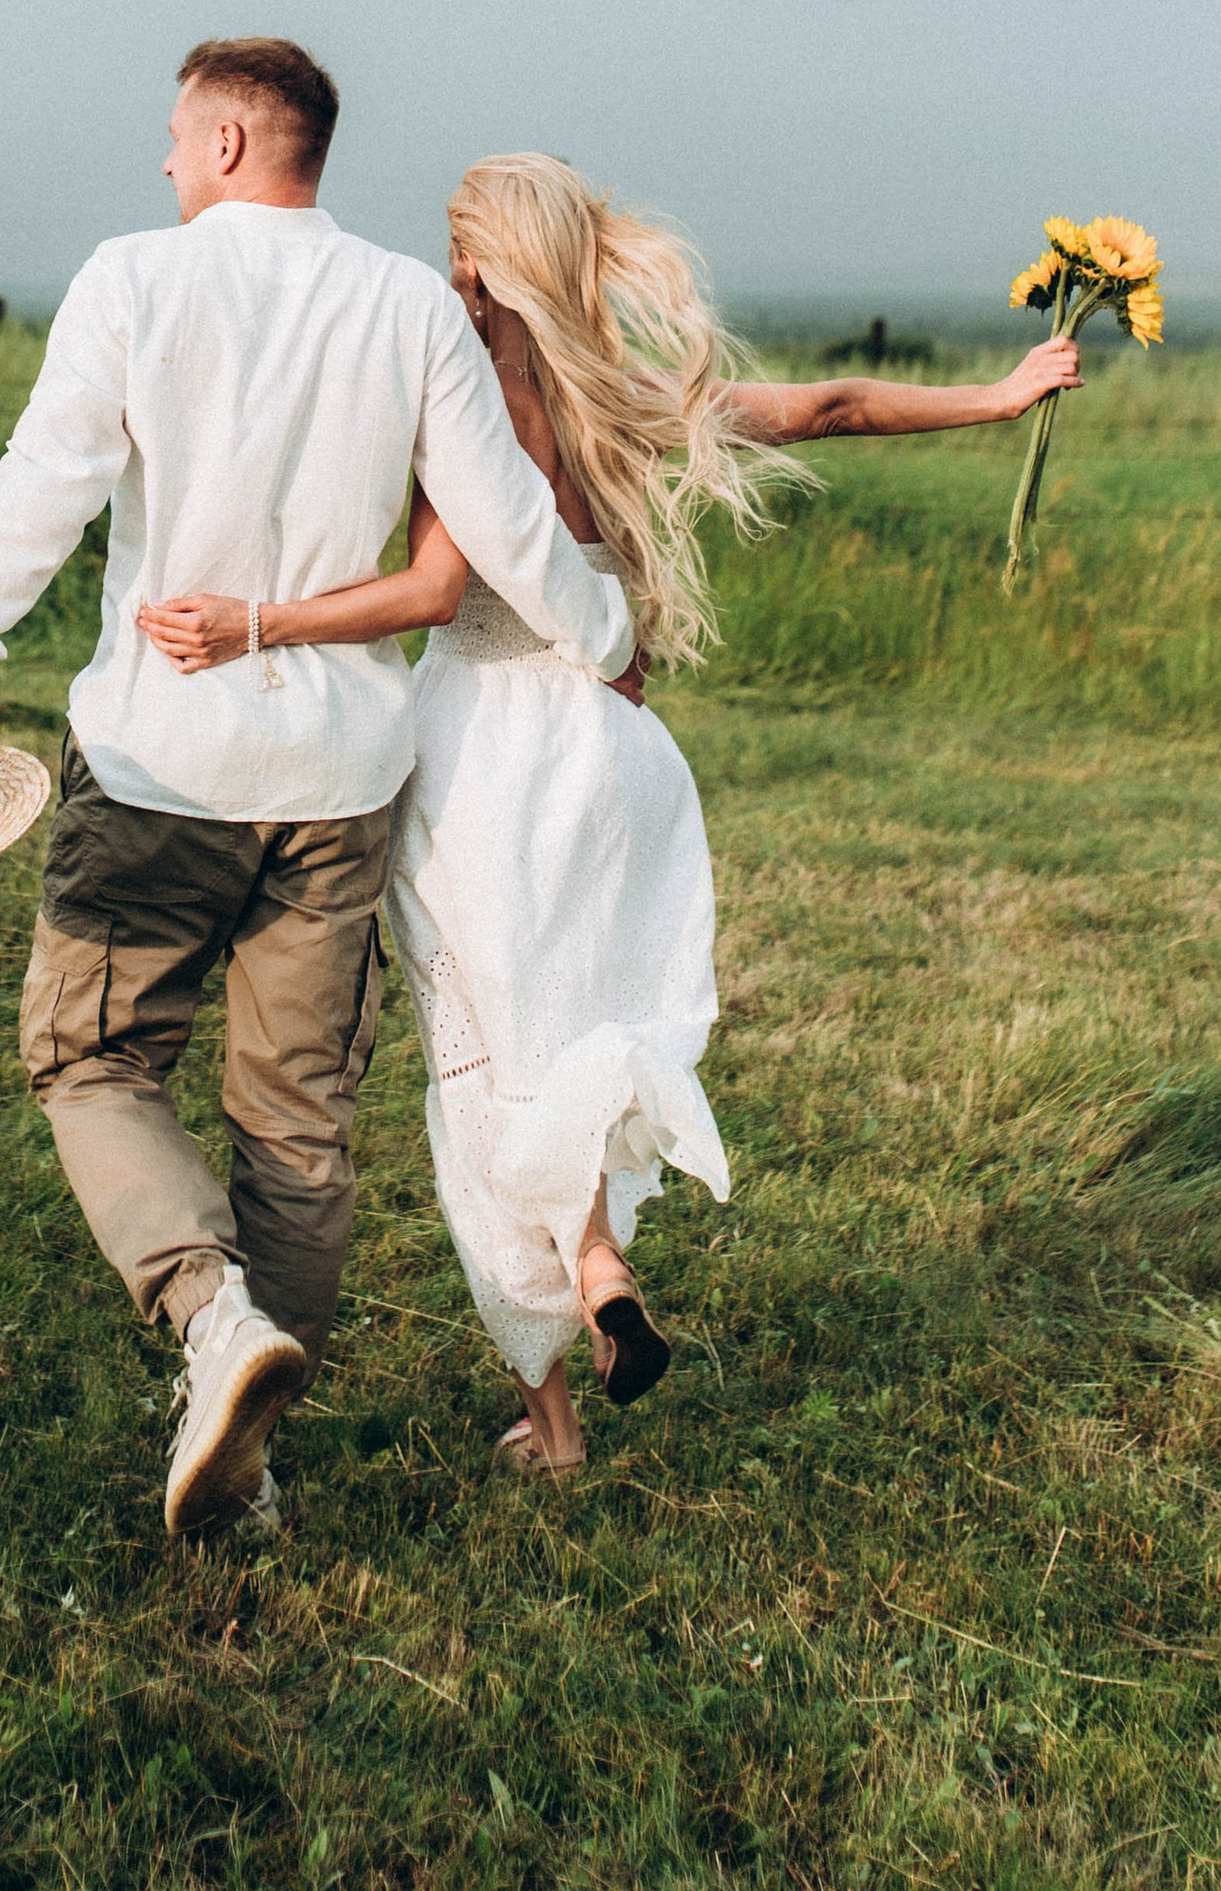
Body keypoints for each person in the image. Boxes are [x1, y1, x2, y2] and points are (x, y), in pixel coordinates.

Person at [141, 159, 1079, 1472]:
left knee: (488, 1076)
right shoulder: (623, 397)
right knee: (575, 1041)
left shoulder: (455, 411)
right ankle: (595, 1273)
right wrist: (1003, 392)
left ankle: (563, 1380)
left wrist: (257, 623)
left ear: (476, 270)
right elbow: (833, 403)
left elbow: (429, 594)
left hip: (488, 762)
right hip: (620, 759)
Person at [0, 42, 635, 1541]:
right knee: (296, 1131)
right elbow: (500, 527)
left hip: (161, 767)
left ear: (230, 142)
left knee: (90, 1062)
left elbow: (43, 488)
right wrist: (604, 639)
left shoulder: (133, 283)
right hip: (341, 788)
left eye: (175, 137)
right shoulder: (412, 305)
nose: (163, 163)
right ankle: (253, 1466)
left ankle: (211, 1321)